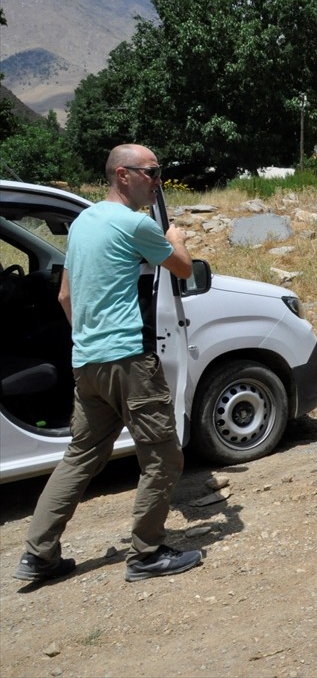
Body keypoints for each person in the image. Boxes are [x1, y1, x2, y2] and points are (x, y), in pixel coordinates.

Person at [13, 144, 203, 585]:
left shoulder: (83, 223)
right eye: (151, 172)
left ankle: (38, 554)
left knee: (80, 456)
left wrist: (87, 340)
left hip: (88, 361)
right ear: (123, 174)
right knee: (163, 457)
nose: (157, 181)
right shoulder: (134, 223)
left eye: (158, 173)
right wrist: (176, 239)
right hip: (129, 361)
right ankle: (147, 553)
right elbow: (182, 269)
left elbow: (65, 296)